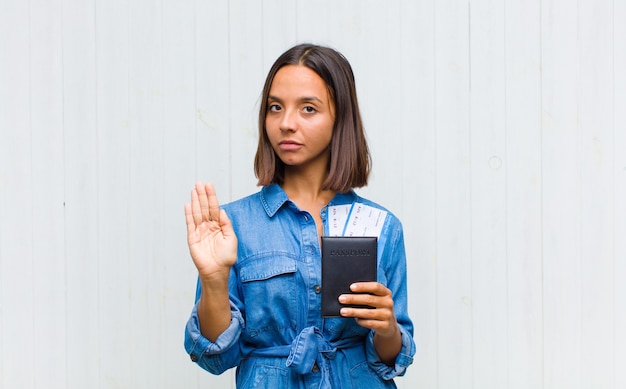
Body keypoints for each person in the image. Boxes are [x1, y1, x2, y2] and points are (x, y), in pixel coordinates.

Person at [184, 43, 415, 388]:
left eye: (308, 108)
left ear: (340, 117)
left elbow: (391, 360)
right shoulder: (231, 226)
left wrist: (386, 328)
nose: (286, 123)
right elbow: (215, 357)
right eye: (275, 107)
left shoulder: (384, 226)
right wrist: (215, 280)